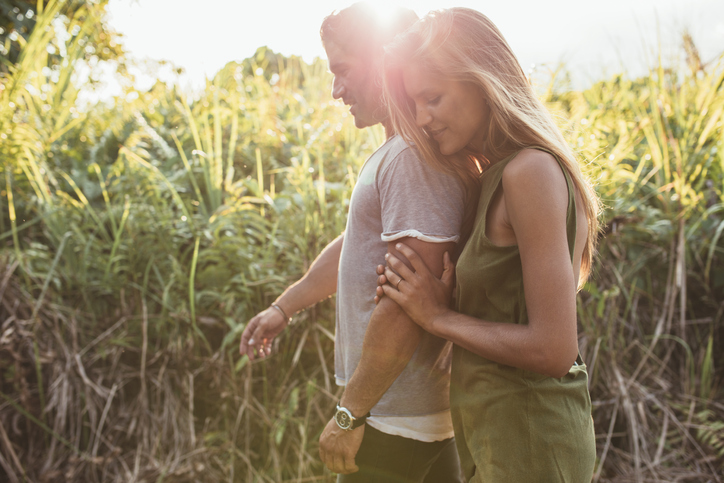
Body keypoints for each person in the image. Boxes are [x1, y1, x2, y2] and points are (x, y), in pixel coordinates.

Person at [239, 3, 478, 481]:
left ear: (381, 60)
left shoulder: (411, 158)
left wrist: (351, 413)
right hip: (408, 415)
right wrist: (284, 307)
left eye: (342, 70)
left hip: (393, 420)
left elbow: (408, 296)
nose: (336, 89)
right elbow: (356, 247)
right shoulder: (397, 150)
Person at [375, 7, 600, 482]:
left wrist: (438, 317)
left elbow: (554, 349)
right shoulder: (493, 177)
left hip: (530, 441)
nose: (422, 117)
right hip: (497, 435)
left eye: (432, 98)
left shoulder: (530, 172)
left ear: (480, 80)